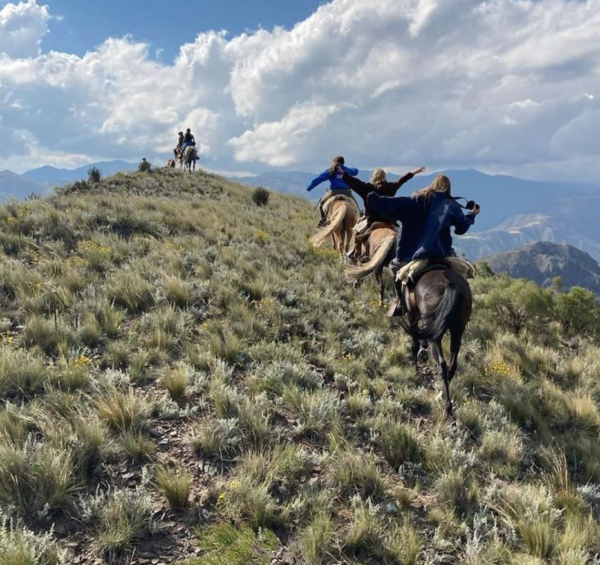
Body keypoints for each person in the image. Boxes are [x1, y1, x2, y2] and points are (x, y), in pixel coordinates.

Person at [367, 174, 480, 316]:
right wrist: (472, 214)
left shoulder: (416, 200)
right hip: (443, 253)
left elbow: (394, 204)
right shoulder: (451, 205)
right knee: (463, 273)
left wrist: (373, 198)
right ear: (448, 189)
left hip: (415, 255)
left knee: (394, 267)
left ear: (433, 185)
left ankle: (401, 302)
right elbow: (461, 228)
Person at [341, 165, 426, 260]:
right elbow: (402, 180)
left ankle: (357, 255)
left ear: (373, 177)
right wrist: (414, 172)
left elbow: (354, 182)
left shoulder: (367, 188)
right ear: (384, 177)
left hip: (372, 221)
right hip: (390, 222)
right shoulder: (391, 187)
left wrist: (343, 173)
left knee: (357, 234)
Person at [306, 156, 359, 227]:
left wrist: (310, 187)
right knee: (356, 206)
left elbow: (319, 179)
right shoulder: (347, 170)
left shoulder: (331, 170)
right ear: (343, 162)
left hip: (333, 192)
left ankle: (324, 220)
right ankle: (359, 221)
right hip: (347, 192)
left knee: (322, 203)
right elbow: (356, 171)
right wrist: (349, 168)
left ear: (333, 162)